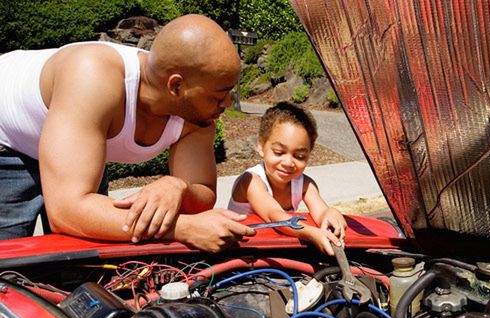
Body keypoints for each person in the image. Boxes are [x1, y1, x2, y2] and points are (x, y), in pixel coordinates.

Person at [0, 14, 256, 252]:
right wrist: (182, 228)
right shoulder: (93, 78)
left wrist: (177, 187)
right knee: (9, 269)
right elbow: (67, 212)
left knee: (82, 270)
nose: (227, 103)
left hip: (67, 146)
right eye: (219, 94)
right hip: (7, 140)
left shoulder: (197, 114)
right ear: (176, 85)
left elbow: (202, 193)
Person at [228, 102, 347, 256]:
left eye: (299, 156)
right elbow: (275, 216)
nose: (288, 163)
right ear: (261, 146)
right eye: (279, 152)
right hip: (239, 253)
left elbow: (321, 212)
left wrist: (331, 214)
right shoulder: (251, 181)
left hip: (275, 250)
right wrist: (312, 234)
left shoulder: (305, 184)